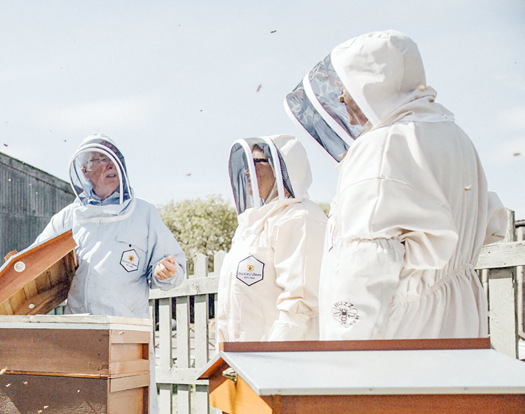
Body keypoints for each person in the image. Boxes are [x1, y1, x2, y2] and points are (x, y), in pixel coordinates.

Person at [285, 30, 507, 339]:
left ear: (374, 84)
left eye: (347, 86)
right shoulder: (456, 137)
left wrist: (343, 354)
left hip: (398, 333)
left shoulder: (383, 143)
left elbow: (365, 259)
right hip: (460, 320)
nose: (341, 98)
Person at [29, 134, 184, 414]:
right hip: (81, 335)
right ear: (84, 172)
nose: (108, 165)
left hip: (128, 334)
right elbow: (36, 266)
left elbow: (172, 263)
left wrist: (166, 269)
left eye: (113, 158)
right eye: (98, 160)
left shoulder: (145, 214)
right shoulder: (67, 219)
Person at [217, 135, 327, 343]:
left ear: (282, 169)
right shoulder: (250, 227)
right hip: (247, 359)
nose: (247, 170)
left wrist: (273, 356)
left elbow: (300, 301)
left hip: (284, 362)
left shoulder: (299, 217)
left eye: (257, 162)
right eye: (247, 163)